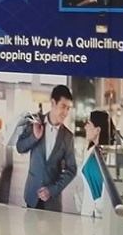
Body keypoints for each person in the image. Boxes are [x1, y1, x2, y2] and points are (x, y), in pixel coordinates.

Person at [14, 84, 80, 212]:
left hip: (52, 202)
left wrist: (52, 190)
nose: (66, 113)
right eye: (63, 106)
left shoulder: (68, 137)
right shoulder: (35, 122)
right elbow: (19, 147)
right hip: (32, 195)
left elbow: (71, 169)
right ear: (53, 103)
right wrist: (34, 137)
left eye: (68, 108)